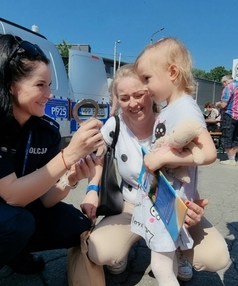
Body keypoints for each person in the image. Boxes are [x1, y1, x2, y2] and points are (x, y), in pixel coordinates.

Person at [0, 34, 104, 286]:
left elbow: (43, 198)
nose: (50, 94)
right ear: (10, 85)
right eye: (41, 85)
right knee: (15, 221)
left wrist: (71, 180)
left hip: (11, 212)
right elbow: (14, 196)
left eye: (50, 85)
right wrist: (69, 154)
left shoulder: (46, 131)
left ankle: (9, 251)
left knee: (75, 224)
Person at [80, 64, 229, 284]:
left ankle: (177, 249)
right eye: (124, 98)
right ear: (117, 100)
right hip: (130, 205)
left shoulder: (170, 122)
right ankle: (122, 250)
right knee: (101, 252)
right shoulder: (115, 125)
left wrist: (192, 205)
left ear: (150, 93)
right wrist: (92, 188)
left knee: (216, 257)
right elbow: (98, 158)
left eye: (139, 94)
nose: (133, 103)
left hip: (172, 204)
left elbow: (199, 159)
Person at [131, 37, 223, 285]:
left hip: (170, 201)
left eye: (147, 78)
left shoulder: (185, 108)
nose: (144, 87)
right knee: (166, 260)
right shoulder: (172, 108)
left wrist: (161, 156)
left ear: (172, 72)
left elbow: (209, 153)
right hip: (165, 196)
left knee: (160, 267)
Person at [215, 74, 238, 166]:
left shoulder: (229, 87)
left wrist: (217, 104)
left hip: (230, 114)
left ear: (225, 81)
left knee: (227, 135)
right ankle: (234, 156)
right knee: (236, 137)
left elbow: (224, 104)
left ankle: (231, 159)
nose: (223, 86)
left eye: (222, 84)